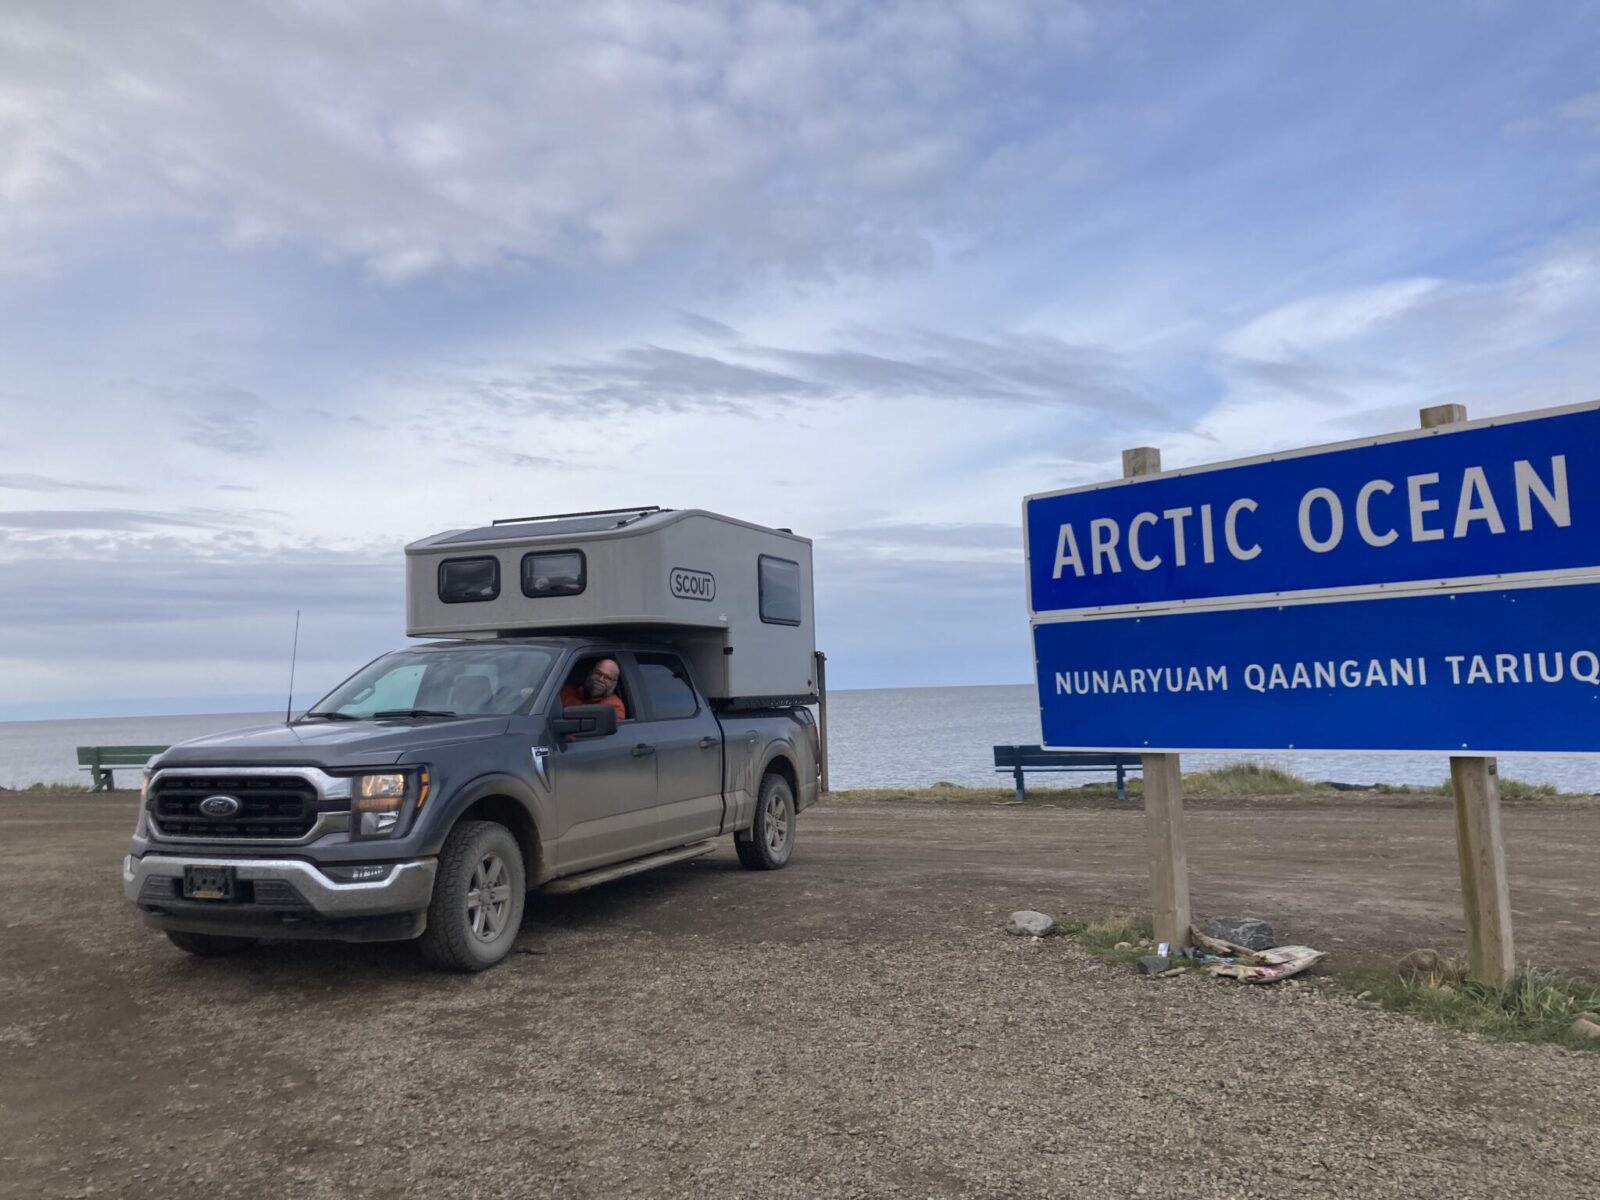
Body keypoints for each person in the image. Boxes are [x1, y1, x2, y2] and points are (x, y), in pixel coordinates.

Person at [559, 657, 626, 720]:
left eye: (607, 678)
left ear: (614, 683)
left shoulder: (614, 707)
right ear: (590, 673)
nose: (601, 679)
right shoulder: (567, 691)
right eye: (598, 673)